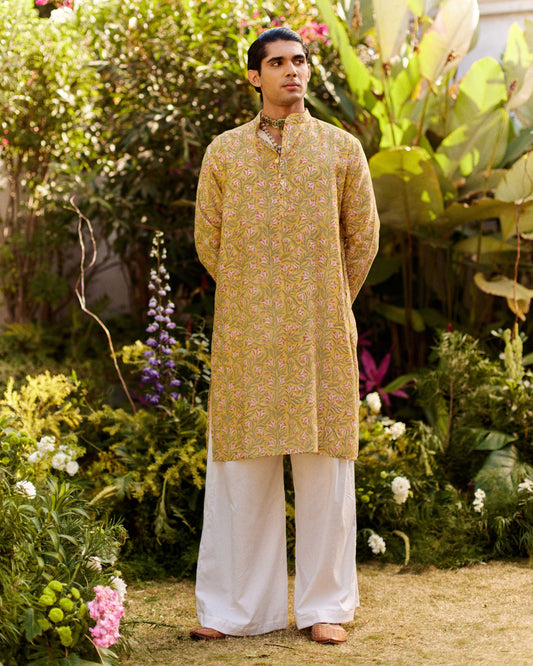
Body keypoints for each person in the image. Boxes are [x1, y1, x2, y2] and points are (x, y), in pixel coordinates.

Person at [191, 26, 379, 645]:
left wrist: (324, 298)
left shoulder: (341, 150)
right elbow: (209, 240)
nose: (292, 71)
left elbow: (363, 238)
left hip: (320, 332)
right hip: (246, 334)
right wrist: (255, 297)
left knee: (325, 472)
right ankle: (234, 610)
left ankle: (326, 607)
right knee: (241, 471)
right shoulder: (224, 153)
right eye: (277, 63)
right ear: (255, 76)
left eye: (299, 60)